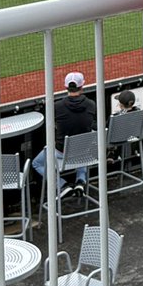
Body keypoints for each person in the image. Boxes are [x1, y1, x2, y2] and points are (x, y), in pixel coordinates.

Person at [32, 71, 96, 199]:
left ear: (66, 87)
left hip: (62, 152)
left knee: (37, 163)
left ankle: (62, 185)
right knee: (81, 145)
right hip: (84, 151)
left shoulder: (57, 107)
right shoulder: (91, 104)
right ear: (82, 86)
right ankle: (80, 181)